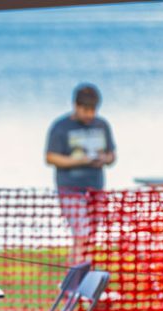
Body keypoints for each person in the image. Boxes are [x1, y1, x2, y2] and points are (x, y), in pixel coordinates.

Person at [46, 83, 116, 261]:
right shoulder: (61, 127)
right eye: (86, 110)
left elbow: (112, 155)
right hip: (70, 190)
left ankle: (79, 279)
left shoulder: (102, 125)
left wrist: (105, 159)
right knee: (81, 235)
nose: (90, 114)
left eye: (93, 110)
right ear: (76, 106)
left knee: (89, 238)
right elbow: (50, 157)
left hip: (96, 191)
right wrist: (79, 161)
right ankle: (73, 284)